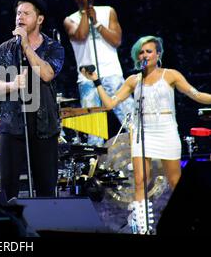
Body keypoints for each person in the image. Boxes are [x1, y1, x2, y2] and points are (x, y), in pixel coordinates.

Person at [81, 35, 211, 234]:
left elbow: (196, 94)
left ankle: (189, 221)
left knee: (176, 182)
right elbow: (110, 104)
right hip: (143, 132)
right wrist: (96, 81)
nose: (144, 55)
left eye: (148, 51)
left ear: (158, 54)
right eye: (141, 52)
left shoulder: (171, 75)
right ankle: (142, 229)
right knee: (141, 180)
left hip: (166, 130)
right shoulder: (134, 80)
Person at [0, 0, 64, 201]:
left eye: (26, 13)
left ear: (39, 19)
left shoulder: (53, 48)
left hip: (43, 126)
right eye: (18, 13)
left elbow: (48, 73)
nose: (20, 17)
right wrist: (12, 85)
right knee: (7, 187)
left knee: (46, 186)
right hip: (12, 124)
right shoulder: (5, 49)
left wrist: (26, 47)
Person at [64, 0, 134, 146]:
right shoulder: (70, 20)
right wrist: (86, 13)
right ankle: (93, 168)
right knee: (94, 132)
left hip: (112, 74)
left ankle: (142, 162)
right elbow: (80, 36)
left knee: (131, 121)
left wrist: (95, 22)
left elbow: (116, 40)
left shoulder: (108, 11)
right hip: (88, 80)